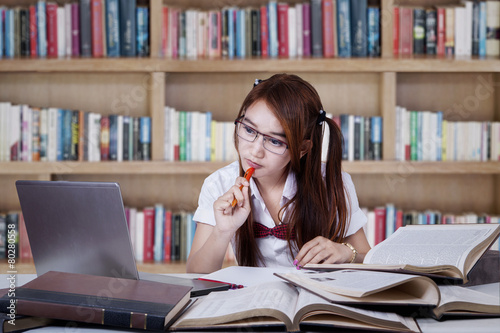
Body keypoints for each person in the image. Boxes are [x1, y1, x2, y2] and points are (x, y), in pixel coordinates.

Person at [186, 73, 371, 274]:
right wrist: (222, 232)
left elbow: (372, 264)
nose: (255, 151)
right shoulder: (219, 184)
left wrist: (346, 253)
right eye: (249, 130)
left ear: (302, 149)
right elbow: (195, 276)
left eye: (274, 141)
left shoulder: (332, 183)